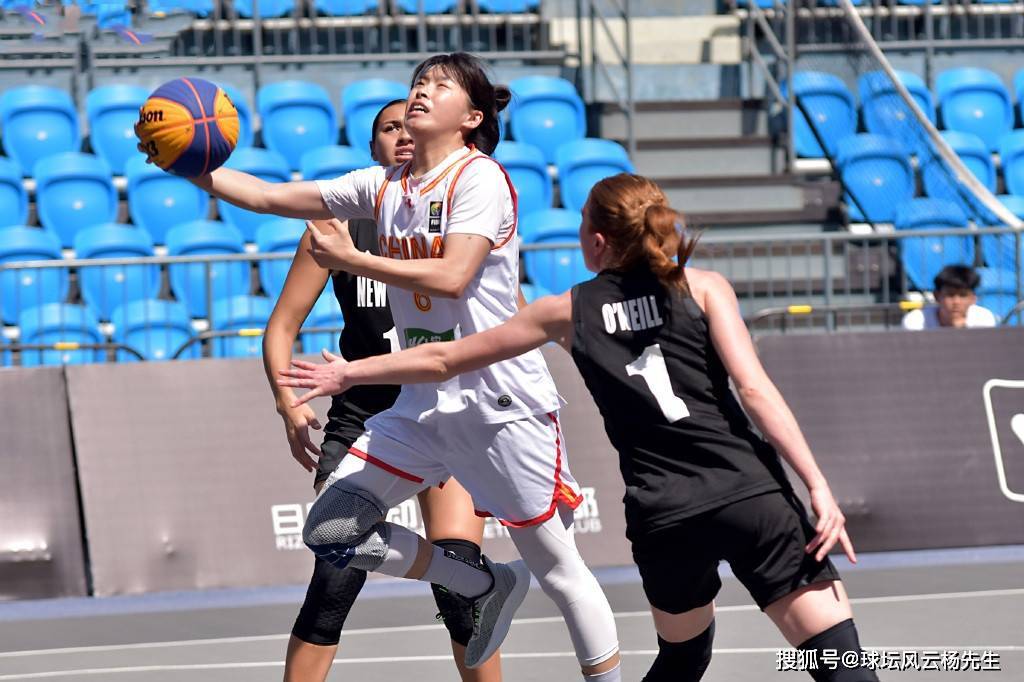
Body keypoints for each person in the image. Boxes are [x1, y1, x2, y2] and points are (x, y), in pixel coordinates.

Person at [281, 172, 882, 682]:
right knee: (841, 662)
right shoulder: (704, 287)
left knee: (682, 658)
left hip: (665, 510)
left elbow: (443, 358)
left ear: (594, 242)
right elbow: (755, 391)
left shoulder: (565, 310)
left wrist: (351, 373)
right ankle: (484, 584)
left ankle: (485, 584)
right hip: (749, 492)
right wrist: (817, 486)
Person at [181, 52, 622, 679]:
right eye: (418, 83)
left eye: (438, 86)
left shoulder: (480, 179)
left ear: (470, 117)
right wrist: (190, 164)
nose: (421, 92)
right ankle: (480, 582)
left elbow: (452, 276)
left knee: (559, 569)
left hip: (499, 400)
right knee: (331, 529)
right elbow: (265, 194)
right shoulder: (380, 186)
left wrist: (356, 260)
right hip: (420, 403)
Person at [262, 99, 502, 682]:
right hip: (367, 412)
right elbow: (281, 327)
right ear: (371, 152)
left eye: (406, 125)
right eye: (386, 129)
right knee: (334, 573)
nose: (399, 135)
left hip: (445, 408)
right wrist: (289, 404)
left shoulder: (459, 215)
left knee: (461, 589)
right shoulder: (336, 228)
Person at [902, 264, 997, 330]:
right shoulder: (915, 321)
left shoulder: (984, 319)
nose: (956, 302)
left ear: (973, 299)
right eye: (950, 295)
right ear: (937, 296)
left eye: (963, 295)